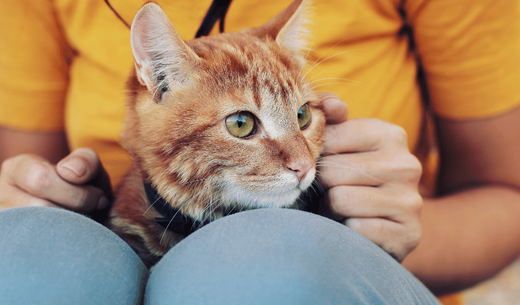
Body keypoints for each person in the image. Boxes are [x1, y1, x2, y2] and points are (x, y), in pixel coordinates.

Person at [0, 0, 519, 304]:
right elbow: (28, 172)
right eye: (244, 123)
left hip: (340, 266)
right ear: (158, 81)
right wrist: (34, 194)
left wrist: (389, 230)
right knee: (30, 258)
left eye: (301, 117)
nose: (299, 161)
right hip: (123, 237)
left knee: (266, 262)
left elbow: (509, 192)